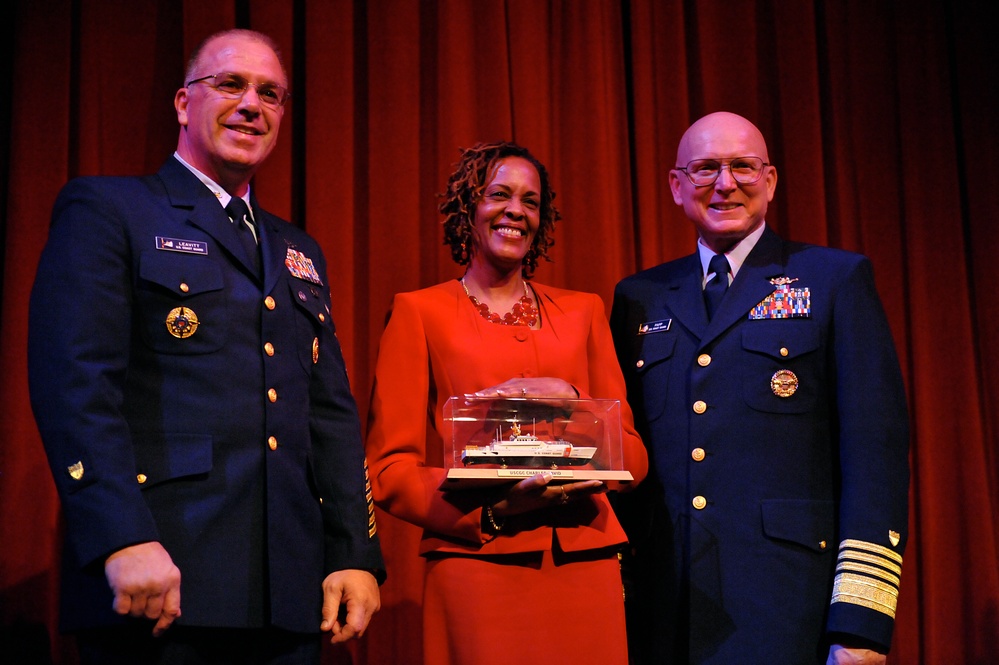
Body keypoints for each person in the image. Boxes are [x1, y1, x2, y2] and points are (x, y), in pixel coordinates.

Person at [27, 28, 383, 664]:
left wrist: (355, 553)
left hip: (289, 594)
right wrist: (119, 538)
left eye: (270, 94)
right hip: (161, 581)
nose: (253, 104)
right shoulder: (111, 209)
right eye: (231, 84)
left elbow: (330, 415)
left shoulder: (298, 250)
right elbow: (75, 384)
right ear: (183, 103)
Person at [609, 111, 910, 665]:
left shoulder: (833, 280)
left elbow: (877, 458)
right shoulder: (639, 297)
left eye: (742, 166)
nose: (725, 183)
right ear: (677, 187)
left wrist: (861, 624)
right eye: (705, 169)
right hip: (660, 610)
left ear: (769, 181)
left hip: (787, 606)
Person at [365, 141, 649, 664]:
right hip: (477, 562)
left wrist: (569, 400)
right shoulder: (418, 312)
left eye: (530, 200)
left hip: (584, 564)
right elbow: (389, 469)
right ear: (468, 209)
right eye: (498, 194)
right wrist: (492, 510)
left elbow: (632, 457)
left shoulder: (584, 312)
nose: (516, 210)